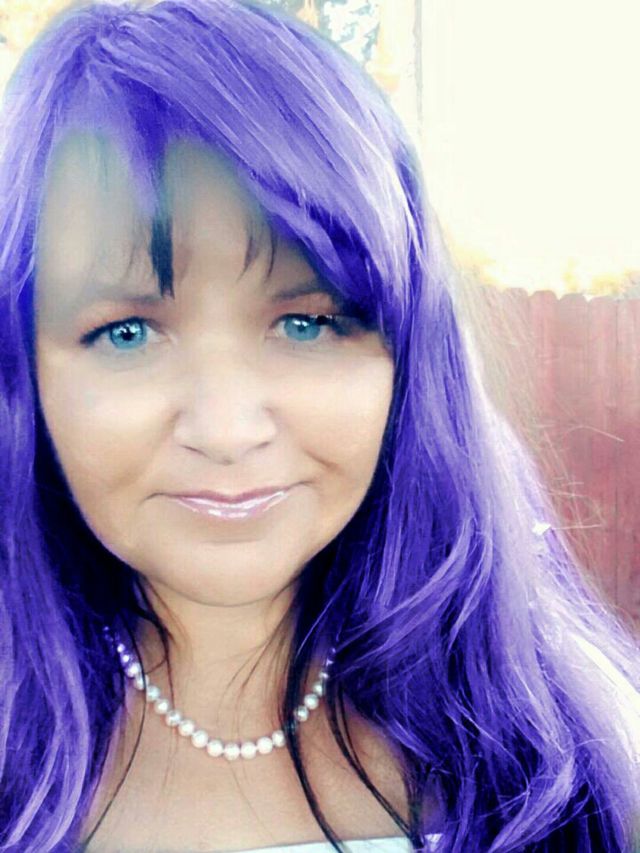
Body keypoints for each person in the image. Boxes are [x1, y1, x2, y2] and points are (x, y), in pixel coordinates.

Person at [0, 1, 638, 851]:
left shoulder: (565, 755)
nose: (227, 430)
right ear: (24, 372)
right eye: (127, 333)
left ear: (408, 361)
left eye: (305, 322)